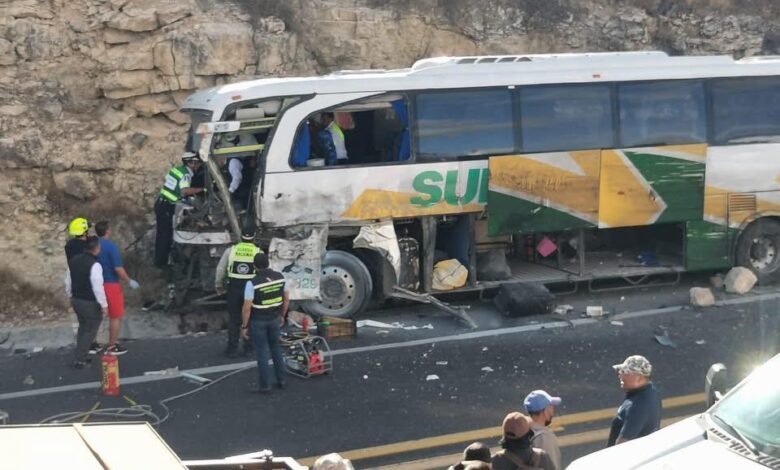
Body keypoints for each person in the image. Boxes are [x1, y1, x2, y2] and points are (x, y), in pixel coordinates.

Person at [241, 253, 288, 393]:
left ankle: (265, 386)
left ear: (254, 266)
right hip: (274, 319)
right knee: (276, 349)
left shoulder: (252, 283)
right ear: (268, 263)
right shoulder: (280, 277)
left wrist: (244, 326)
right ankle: (282, 380)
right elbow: (286, 299)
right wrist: (282, 315)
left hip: (258, 321)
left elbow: (246, 308)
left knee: (262, 352)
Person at [215, 227, 262, 358]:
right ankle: (249, 348)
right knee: (250, 318)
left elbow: (221, 268)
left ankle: (232, 349)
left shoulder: (231, 250)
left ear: (240, 236)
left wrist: (218, 284)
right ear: (254, 237)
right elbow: (263, 271)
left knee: (234, 319)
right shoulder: (258, 251)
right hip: (251, 289)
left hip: (234, 288)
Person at [95, 221, 140, 356]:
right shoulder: (111, 247)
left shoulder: (91, 245)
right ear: (107, 231)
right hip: (110, 284)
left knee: (95, 316)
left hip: (95, 284)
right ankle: (112, 346)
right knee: (115, 316)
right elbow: (118, 268)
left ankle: (92, 344)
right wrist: (129, 280)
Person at [154, 151, 205, 268]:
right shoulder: (186, 174)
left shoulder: (177, 170)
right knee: (166, 235)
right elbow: (184, 191)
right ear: (191, 163)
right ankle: (162, 264)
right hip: (167, 206)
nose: (198, 166)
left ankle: (159, 261)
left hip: (161, 203)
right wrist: (202, 190)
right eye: (197, 163)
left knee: (161, 234)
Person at [64, 236, 107, 369]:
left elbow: (68, 281)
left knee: (83, 327)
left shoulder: (74, 260)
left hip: (76, 299)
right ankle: (81, 358)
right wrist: (104, 305)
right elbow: (98, 287)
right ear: (96, 249)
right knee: (90, 329)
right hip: (89, 302)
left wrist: (70, 295)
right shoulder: (95, 265)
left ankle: (80, 354)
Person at [607, 355, 662, 447]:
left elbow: (622, 445)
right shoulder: (652, 392)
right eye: (621, 371)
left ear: (639, 377)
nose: (620, 374)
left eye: (625, 372)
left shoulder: (637, 406)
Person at [524, 390, 563, 470]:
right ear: (545, 411)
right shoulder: (545, 438)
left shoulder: (522, 431)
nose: (553, 410)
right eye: (551, 406)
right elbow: (552, 467)